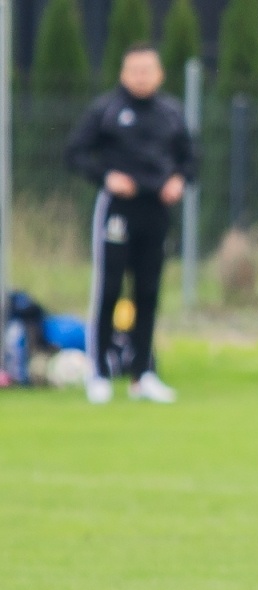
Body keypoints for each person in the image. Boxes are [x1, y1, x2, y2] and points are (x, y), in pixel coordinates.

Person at [65, 44, 195, 405]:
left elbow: (190, 158)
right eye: (134, 70)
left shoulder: (171, 113)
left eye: (147, 70)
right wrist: (106, 176)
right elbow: (75, 153)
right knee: (109, 289)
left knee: (148, 292)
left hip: (156, 210)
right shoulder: (107, 110)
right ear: (123, 73)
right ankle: (99, 373)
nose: (141, 77)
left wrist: (179, 180)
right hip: (118, 209)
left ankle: (143, 374)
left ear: (159, 74)